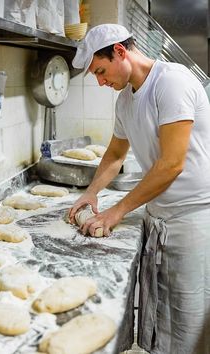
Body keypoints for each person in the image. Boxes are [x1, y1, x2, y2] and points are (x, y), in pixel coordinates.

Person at [69, 23, 210, 354]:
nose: (101, 82)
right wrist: (91, 193)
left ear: (120, 52)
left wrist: (117, 211)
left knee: (190, 318)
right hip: (160, 215)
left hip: (193, 219)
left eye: (101, 71)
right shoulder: (125, 102)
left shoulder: (171, 82)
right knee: (163, 315)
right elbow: (115, 155)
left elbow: (171, 163)